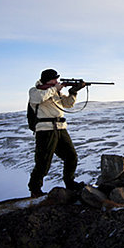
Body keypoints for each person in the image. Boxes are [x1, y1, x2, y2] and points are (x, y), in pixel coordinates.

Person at [28, 68, 86, 198]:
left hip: (60, 128)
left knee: (71, 156)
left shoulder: (54, 92)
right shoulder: (35, 91)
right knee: (43, 161)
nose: (56, 81)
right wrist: (56, 88)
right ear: (47, 80)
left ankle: (70, 183)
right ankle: (35, 189)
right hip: (45, 130)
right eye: (54, 79)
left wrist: (73, 92)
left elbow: (68, 104)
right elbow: (39, 98)